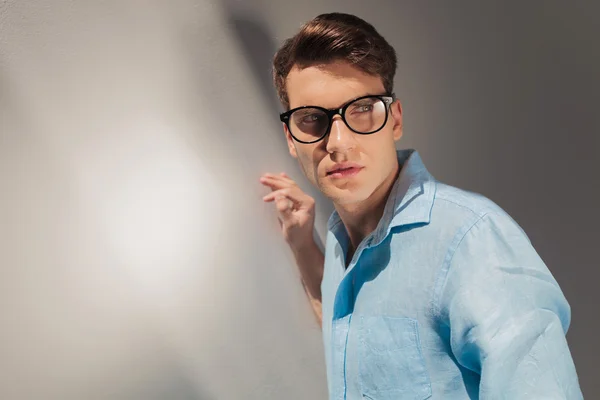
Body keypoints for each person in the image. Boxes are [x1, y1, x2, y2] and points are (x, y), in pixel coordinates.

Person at [259, 12, 582, 399]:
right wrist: (302, 244)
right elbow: (347, 329)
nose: (338, 142)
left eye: (362, 109)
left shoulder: (471, 239)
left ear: (395, 119)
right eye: (312, 119)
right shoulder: (342, 238)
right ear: (292, 137)